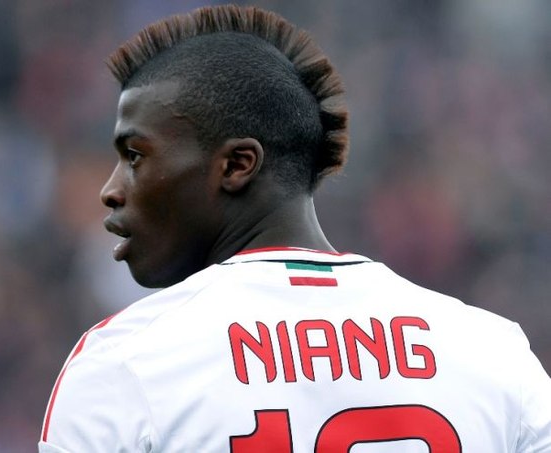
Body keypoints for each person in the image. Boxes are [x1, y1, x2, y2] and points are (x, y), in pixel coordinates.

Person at [39, 5, 551, 452]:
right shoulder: (492, 353)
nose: (110, 189)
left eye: (134, 155)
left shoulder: (125, 363)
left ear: (237, 165)